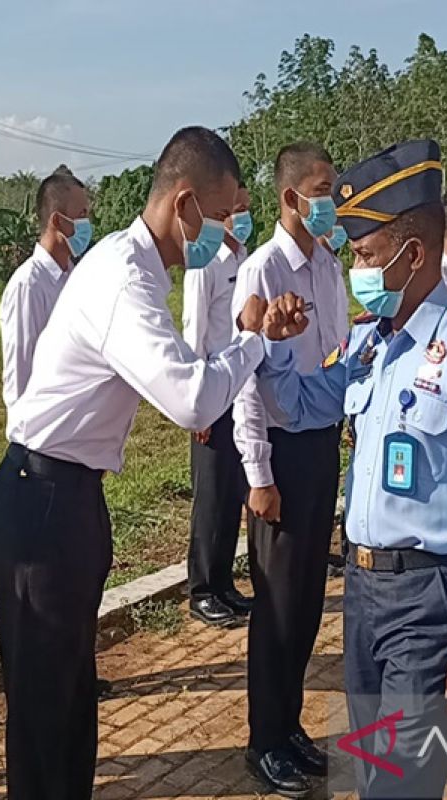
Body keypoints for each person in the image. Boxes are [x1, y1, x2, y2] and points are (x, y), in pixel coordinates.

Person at [0, 126, 267, 800]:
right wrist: (252, 342)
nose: (230, 237)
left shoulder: (136, 267)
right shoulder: (123, 277)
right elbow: (192, 399)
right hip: (42, 500)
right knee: (46, 709)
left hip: (70, 496)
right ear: (183, 204)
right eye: (224, 215)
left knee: (71, 696)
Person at [256, 139, 447, 800]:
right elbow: (302, 406)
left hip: (430, 602)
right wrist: (271, 343)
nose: (356, 269)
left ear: (413, 253)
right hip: (364, 594)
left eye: (367, 256)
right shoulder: (368, 344)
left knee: (402, 785)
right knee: (372, 774)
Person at [230, 142, 351, 795]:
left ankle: (290, 723)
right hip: (279, 453)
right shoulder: (263, 271)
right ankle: (263, 739)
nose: (332, 199)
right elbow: (247, 383)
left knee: (306, 600)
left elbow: (336, 353)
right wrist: (258, 475)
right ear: (290, 198)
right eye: (323, 187)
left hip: (321, 444)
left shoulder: (329, 268)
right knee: (275, 605)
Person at [182, 181, 254, 626]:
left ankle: (224, 582)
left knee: (231, 490)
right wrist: (196, 399)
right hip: (210, 388)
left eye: (246, 208)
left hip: (238, 387)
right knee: (209, 494)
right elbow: (194, 330)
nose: (242, 217)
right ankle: (202, 589)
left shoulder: (242, 258)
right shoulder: (203, 263)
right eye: (234, 210)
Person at [0, 171, 91, 413]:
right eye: (81, 215)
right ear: (57, 222)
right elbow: (20, 372)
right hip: (42, 430)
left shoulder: (76, 277)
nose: (87, 224)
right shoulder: (28, 286)